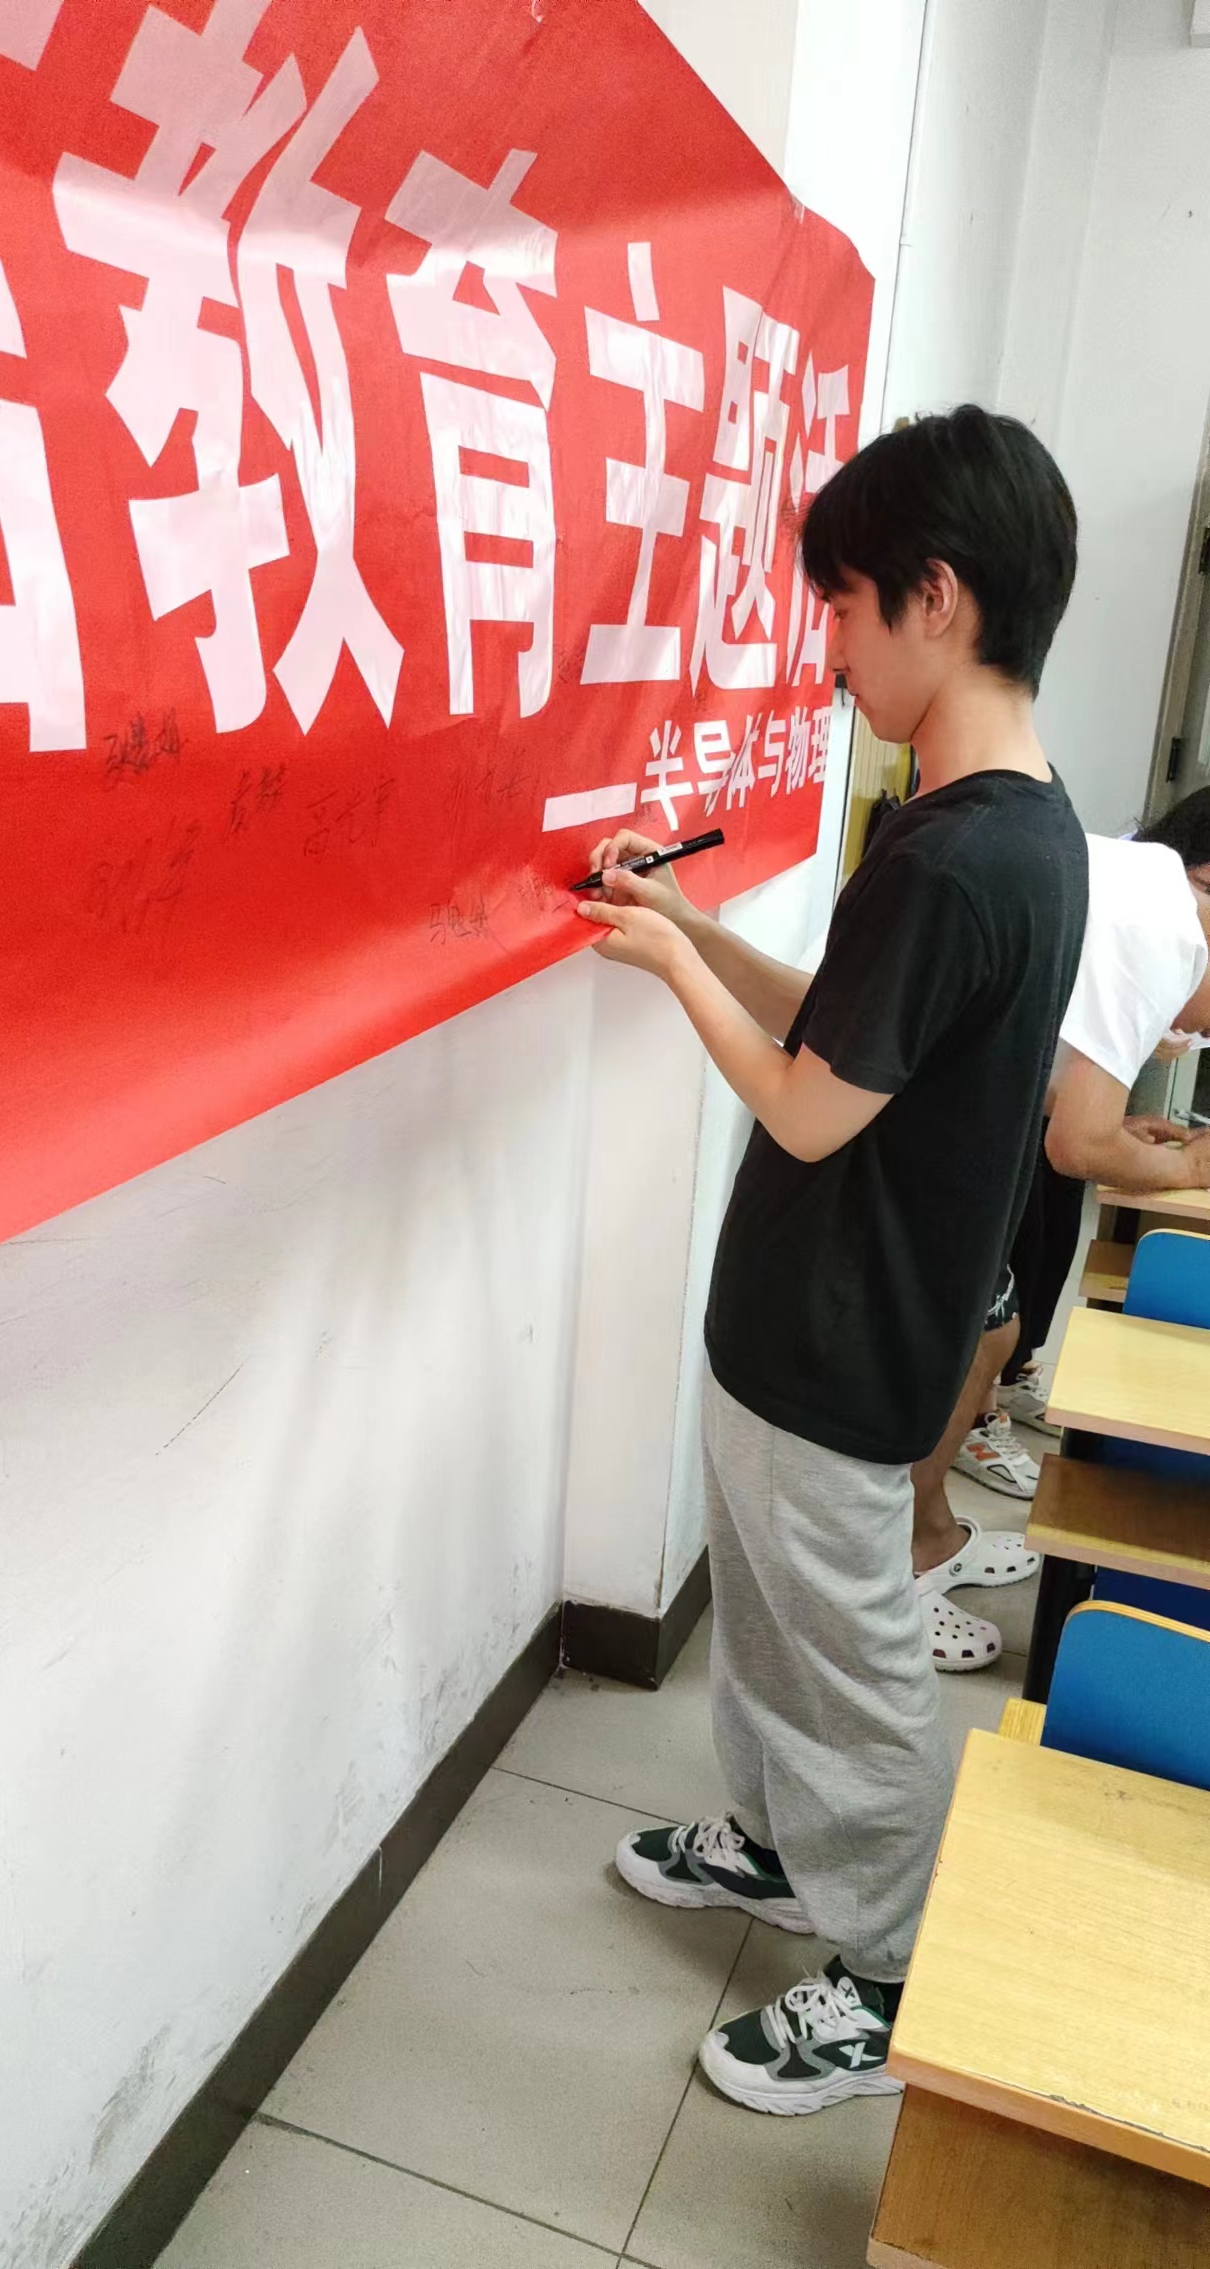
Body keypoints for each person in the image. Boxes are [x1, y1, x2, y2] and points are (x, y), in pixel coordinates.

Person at [577, 406, 1087, 2115]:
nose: (826, 648)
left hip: (840, 1348)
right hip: (802, 1329)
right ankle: (779, 1847)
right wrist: (691, 924)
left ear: (934, 597)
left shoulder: (959, 856)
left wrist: (666, 969)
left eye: (843, 605)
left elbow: (806, 1109)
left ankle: (885, 1970)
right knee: (773, 1630)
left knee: (845, 1667)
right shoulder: (1000, 823)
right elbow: (847, 1030)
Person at [912, 793, 1210, 1669]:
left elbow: (1032, 1059)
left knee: (992, 1335)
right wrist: (1188, 1169)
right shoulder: (1164, 923)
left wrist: (1112, 1127)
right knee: (964, 1347)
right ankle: (895, 1572)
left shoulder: (1131, 883)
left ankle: (928, 1533)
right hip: (913, 1123)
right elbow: (1077, 1146)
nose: (1198, 1032)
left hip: (952, 1106)